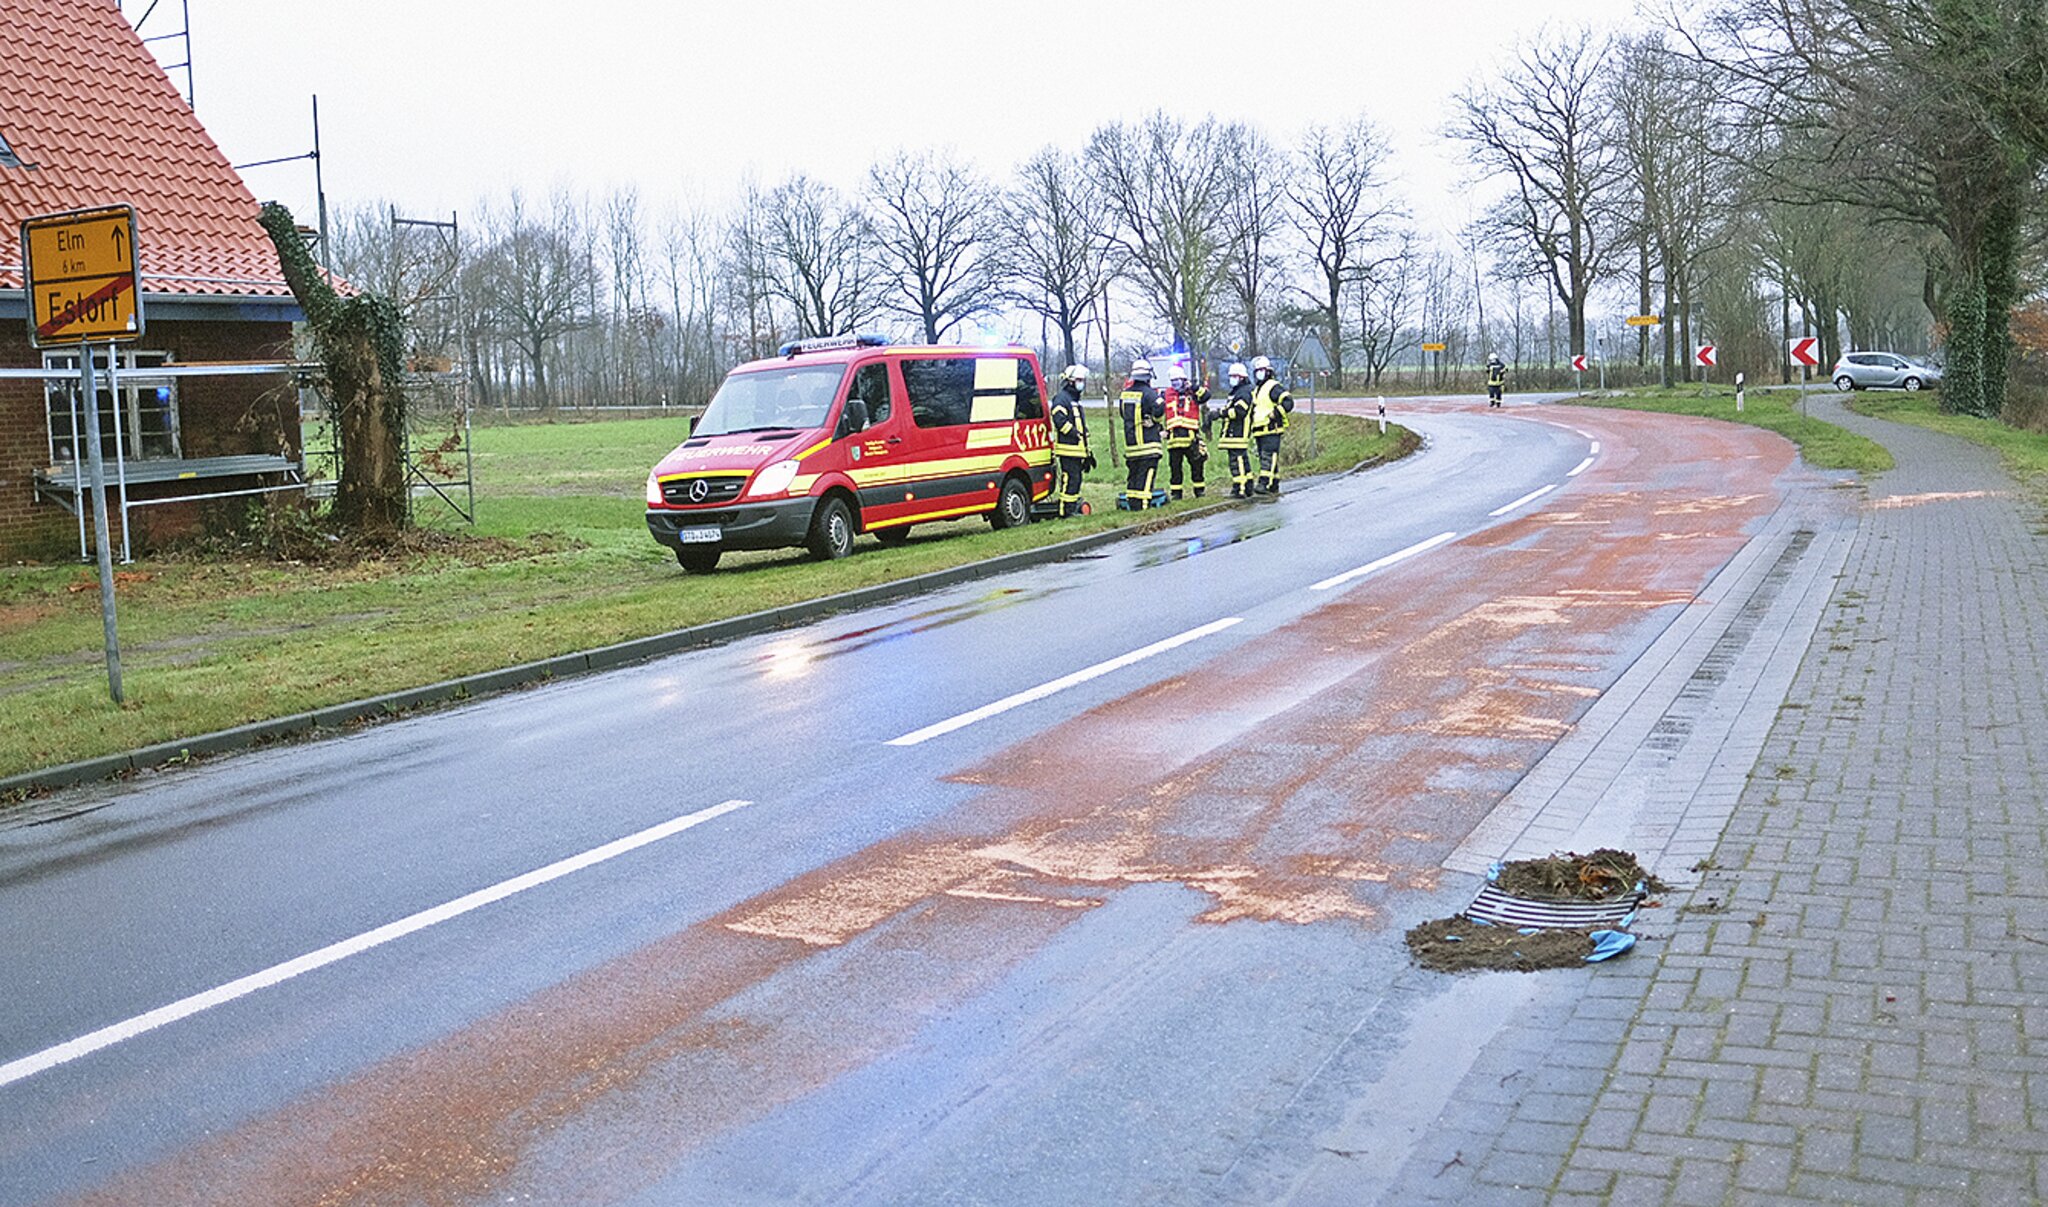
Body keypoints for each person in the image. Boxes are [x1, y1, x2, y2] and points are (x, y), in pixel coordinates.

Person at [1119, 358, 1165, 509]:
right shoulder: (1149, 394)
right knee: (1146, 477)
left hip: (1131, 446)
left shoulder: (1124, 395)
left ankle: (1133, 505)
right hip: (1148, 444)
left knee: (1133, 477)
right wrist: (1154, 420)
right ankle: (1143, 506)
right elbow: (1160, 407)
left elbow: (1123, 414)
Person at [1049, 363, 1093, 518]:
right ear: (1070, 381)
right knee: (1070, 479)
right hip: (1068, 450)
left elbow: (1081, 428)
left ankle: (1072, 508)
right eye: (1079, 380)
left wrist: (1088, 453)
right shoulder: (1062, 399)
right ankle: (1065, 512)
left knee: (1076, 480)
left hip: (1077, 450)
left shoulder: (1074, 400)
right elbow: (1059, 420)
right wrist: (1073, 433)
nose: (1082, 383)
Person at [1249, 355, 1293, 495]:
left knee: (1268, 456)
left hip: (1271, 428)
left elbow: (1288, 402)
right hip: (1259, 430)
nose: (1259, 373)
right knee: (1265, 457)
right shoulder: (1257, 389)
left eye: (1261, 370)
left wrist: (1276, 413)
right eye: (1257, 371)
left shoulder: (1273, 386)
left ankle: (1263, 483)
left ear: (1268, 371)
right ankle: (1274, 483)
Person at [1162, 368, 1210, 500]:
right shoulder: (1166, 394)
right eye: (1172, 381)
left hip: (1191, 436)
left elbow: (1206, 396)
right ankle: (1176, 493)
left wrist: (1193, 387)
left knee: (1197, 465)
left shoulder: (1193, 392)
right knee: (1175, 468)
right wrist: (1161, 429)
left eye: (1177, 380)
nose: (1175, 384)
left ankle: (1199, 490)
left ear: (1184, 380)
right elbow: (1158, 411)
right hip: (1173, 437)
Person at [1217, 362, 1255, 498]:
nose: (1232, 379)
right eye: (1231, 376)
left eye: (1234, 376)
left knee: (1237, 461)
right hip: (1235, 432)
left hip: (1238, 432)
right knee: (1242, 460)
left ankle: (1240, 488)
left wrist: (1221, 413)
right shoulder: (1238, 391)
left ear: (1242, 377)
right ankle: (1249, 485)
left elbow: (1240, 412)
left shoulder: (1244, 392)